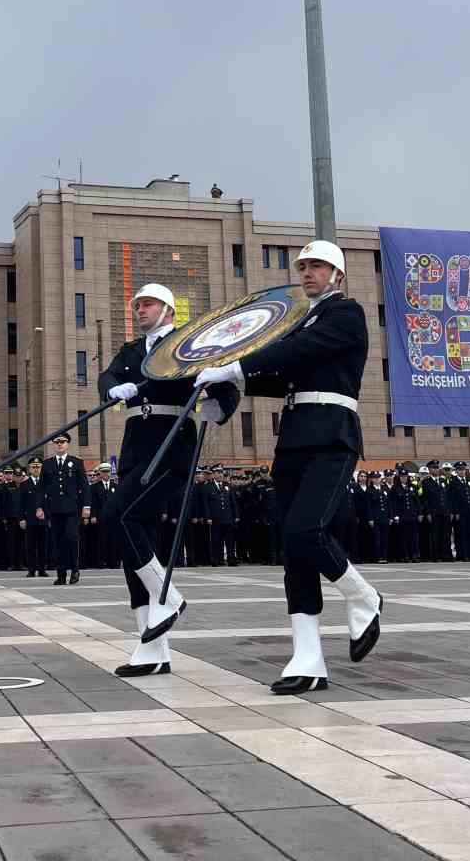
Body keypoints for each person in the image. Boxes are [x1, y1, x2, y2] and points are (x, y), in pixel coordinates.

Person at [195, 240, 380, 694]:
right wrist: (217, 380)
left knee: (306, 530)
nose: (307, 272)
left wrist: (234, 367)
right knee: (293, 551)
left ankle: (363, 596)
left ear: (337, 275)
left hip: (332, 435)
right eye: (303, 266)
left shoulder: (345, 313)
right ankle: (308, 656)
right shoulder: (305, 318)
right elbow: (279, 376)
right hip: (295, 437)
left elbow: (296, 353)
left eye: (317, 265)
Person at [97, 282, 239, 678]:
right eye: (137, 304)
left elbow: (224, 386)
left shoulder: (186, 344)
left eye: (148, 304)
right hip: (135, 447)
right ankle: (152, 647)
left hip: (171, 443)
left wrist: (215, 403)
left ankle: (169, 597)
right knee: (133, 546)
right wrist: (112, 388)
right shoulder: (129, 351)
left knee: (116, 516)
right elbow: (106, 376)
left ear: (168, 310)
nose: (139, 309)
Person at [40, 434, 88, 585]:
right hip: (54, 509)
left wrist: (86, 506)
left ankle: (74, 569)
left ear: (68, 444)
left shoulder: (76, 462)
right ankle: (61, 574)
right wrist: (39, 507)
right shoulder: (47, 464)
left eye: (63, 442)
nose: (60, 445)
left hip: (72, 509)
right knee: (57, 541)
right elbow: (41, 488)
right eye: (57, 442)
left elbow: (84, 486)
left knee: (71, 537)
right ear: (54, 445)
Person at [19, 461, 47, 578]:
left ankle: (42, 569)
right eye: (33, 467)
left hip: (43, 519)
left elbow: (49, 501)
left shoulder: (46, 483)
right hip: (30, 519)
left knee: (43, 546)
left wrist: (49, 516)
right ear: (29, 469)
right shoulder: (24, 484)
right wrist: (22, 518)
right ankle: (31, 569)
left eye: (38, 467)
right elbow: (21, 503)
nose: (36, 469)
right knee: (30, 546)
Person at [449, 464, 470, 563]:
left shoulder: (469, 481)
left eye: (463, 470)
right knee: (462, 534)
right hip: (461, 512)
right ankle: (464, 555)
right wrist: (455, 511)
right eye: (459, 470)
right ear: (456, 471)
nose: (462, 471)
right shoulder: (453, 482)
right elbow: (452, 499)